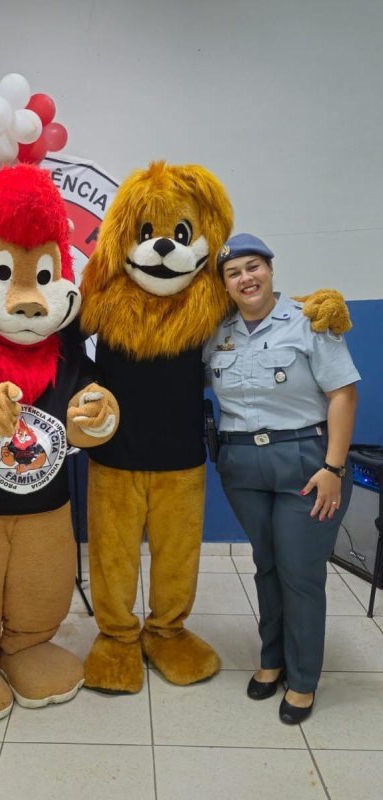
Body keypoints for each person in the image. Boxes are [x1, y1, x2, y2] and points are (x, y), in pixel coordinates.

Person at [203, 233, 360, 725]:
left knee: (300, 572)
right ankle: (272, 659)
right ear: (225, 285)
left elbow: (342, 394)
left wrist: (333, 468)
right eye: (234, 273)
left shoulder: (310, 322)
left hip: (306, 463)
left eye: (253, 267)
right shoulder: (216, 333)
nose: (246, 278)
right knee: (267, 565)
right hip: (242, 465)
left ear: (270, 269)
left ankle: (304, 678)